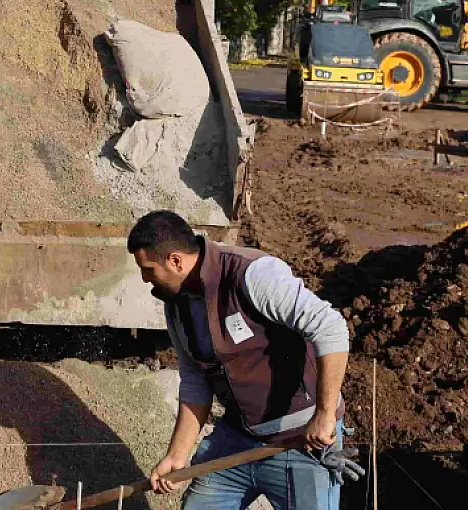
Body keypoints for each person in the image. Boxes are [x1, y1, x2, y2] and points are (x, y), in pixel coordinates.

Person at [129, 211, 361, 510]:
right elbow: (195, 380)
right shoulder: (177, 307)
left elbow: (330, 328)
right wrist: (177, 455)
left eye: (148, 269)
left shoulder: (251, 273)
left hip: (302, 441)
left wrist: (326, 413)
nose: (145, 278)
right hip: (237, 440)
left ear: (175, 260)